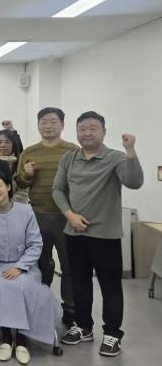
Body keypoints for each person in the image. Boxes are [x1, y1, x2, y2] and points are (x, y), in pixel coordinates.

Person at [53, 111, 143, 357]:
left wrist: (130, 150)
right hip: (75, 233)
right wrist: (70, 215)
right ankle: (84, 327)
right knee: (79, 284)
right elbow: (58, 189)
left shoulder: (116, 158)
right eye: (82, 129)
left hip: (105, 236)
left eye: (93, 128)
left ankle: (112, 333)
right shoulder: (69, 159)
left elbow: (134, 182)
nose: (87, 133)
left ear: (104, 131)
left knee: (110, 287)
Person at [0, 171, 62, 365]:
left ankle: (22, 340)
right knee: (2, 285)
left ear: (8, 187)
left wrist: (20, 267)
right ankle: (6, 338)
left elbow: (35, 244)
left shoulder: (26, 211)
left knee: (25, 286)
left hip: (25, 264)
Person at [15, 107, 78, 326]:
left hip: (66, 217)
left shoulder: (73, 151)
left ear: (62, 124)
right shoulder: (29, 151)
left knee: (69, 266)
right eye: (43, 121)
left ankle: (70, 311)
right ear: (38, 125)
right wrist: (27, 174)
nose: (48, 126)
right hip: (37, 216)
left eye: (53, 121)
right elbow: (19, 183)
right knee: (41, 264)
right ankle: (40, 304)